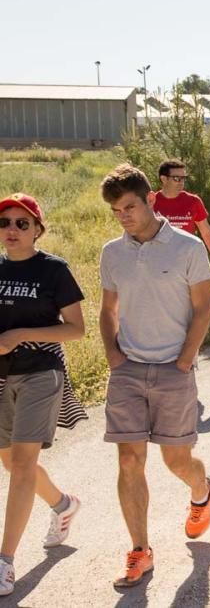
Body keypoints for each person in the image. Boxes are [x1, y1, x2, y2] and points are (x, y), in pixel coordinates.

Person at [98, 164, 210, 589]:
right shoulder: (112, 252)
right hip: (127, 369)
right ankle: (140, 550)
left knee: (176, 461)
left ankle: (202, 490)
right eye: (116, 210)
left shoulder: (187, 248)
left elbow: (203, 309)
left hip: (173, 369)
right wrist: (113, 356)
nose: (124, 216)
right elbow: (108, 308)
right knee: (129, 459)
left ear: (150, 199)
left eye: (129, 206)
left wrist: (184, 361)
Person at [0, 194, 86, 597]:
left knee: (21, 464)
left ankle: (4, 562)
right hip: (1, 376)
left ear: (37, 229)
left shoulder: (53, 270)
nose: (12, 230)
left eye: (22, 223)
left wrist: (21, 335)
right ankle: (63, 504)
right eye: (5, 223)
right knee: (11, 462)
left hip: (40, 370)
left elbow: (75, 329)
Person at [152, 160, 210, 265]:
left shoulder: (193, 201)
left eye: (183, 178)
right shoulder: (151, 202)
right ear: (164, 179)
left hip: (187, 261)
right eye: (176, 178)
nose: (181, 182)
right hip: (158, 260)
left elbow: (206, 232)